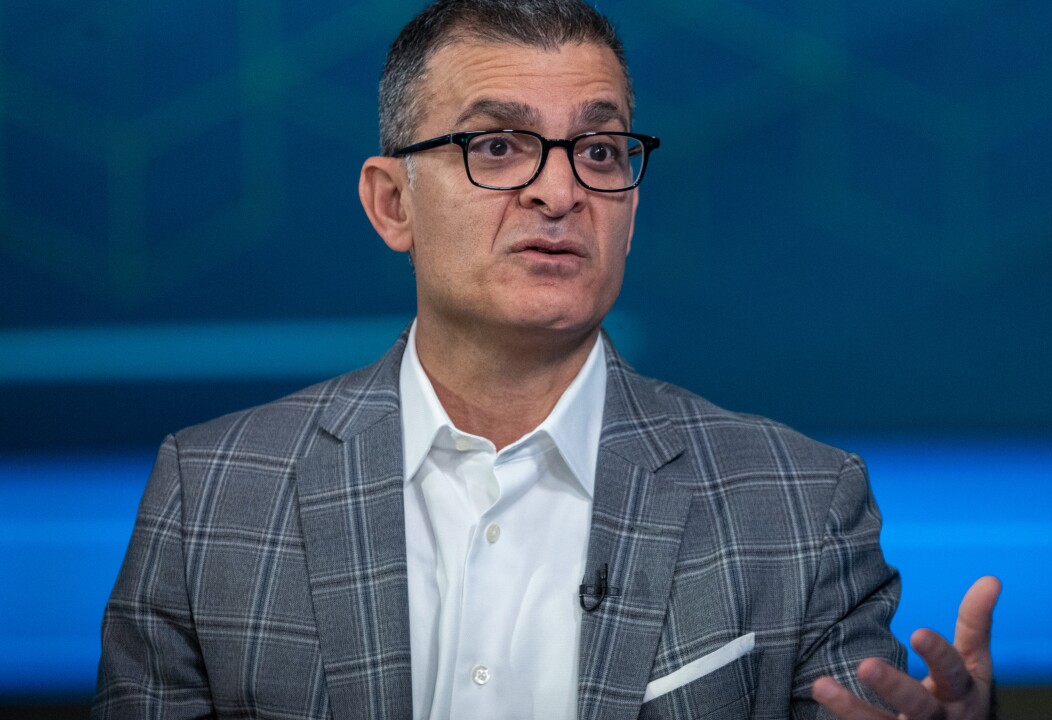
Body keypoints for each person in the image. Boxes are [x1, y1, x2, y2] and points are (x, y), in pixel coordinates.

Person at [93, 1, 1000, 718]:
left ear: (632, 208)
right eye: (497, 145)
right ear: (391, 204)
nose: (560, 190)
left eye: (599, 150)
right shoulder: (210, 494)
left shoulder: (802, 507)